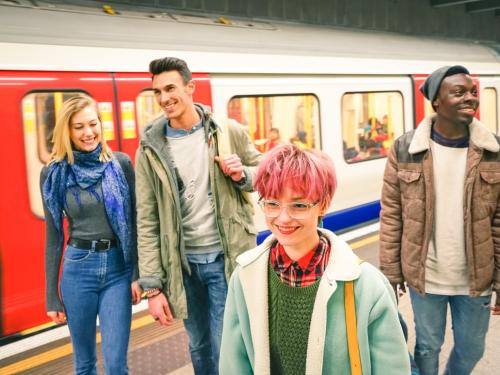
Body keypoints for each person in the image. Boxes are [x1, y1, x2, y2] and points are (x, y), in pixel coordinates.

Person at [220, 144, 411, 374]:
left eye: (299, 205)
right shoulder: (244, 278)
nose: (283, 218)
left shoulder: (367, 286)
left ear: (323, 204)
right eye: (272, 203)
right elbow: (234, 365)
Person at [135, 57, 261, 375]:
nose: (164, 98)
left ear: (190, 88)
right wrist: (153, 287)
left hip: (225, 259)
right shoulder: (150, 148)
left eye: (171, 88)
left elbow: (266, 173)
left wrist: (242, 173)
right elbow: (147, 218)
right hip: (184, 266)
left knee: (226, 346)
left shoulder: (227, 131)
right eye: (158, 92)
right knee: (199, 346)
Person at [380, 65, 500, 375]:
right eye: (458, 92)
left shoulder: (493, 150)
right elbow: (392, 212)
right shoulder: (406, 148)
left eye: (472, 92)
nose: (470, 98)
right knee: (427, 346)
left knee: (472, 348)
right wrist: (390, 271)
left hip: (476, 278)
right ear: (436, 101)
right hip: (426, 276)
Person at [40, 94, 141, 375]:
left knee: (116, 364)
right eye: (79, 127)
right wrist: (51, 295)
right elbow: (54, 235)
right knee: (84, 364)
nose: (89, 133)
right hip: (78, 269)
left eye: (93, 124)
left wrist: (136, 273)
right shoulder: (54, 173)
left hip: (117, 270)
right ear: (67, 132)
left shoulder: (120, 164)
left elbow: (134, 221)